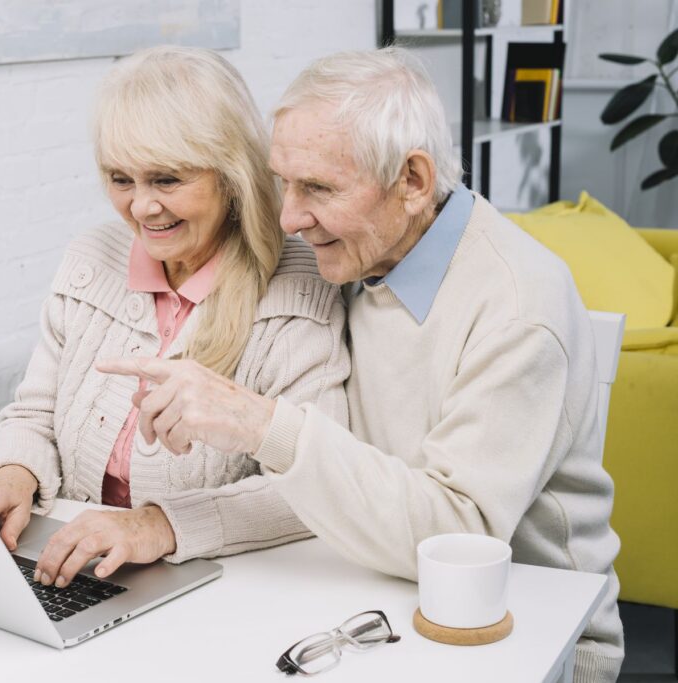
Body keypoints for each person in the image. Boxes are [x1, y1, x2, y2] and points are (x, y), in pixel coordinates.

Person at [100, 47, 623, 682]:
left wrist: (264, 424)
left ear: (413, 181)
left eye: (318, 188)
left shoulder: (516, 307)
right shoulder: (360, 254)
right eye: (283, 183)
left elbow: (456, 541)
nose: (290, 219)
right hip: (370, 593)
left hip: (525, 630)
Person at [0, 46, 347, 590]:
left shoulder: (298, 286)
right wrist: (13, 476)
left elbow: (317, 481)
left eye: (167, 180)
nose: (141, 208)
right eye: (121, 179)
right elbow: (34, 412)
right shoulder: (90, 259)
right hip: (74, 569)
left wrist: (158, 525)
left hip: (215, 585)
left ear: (231, 173)